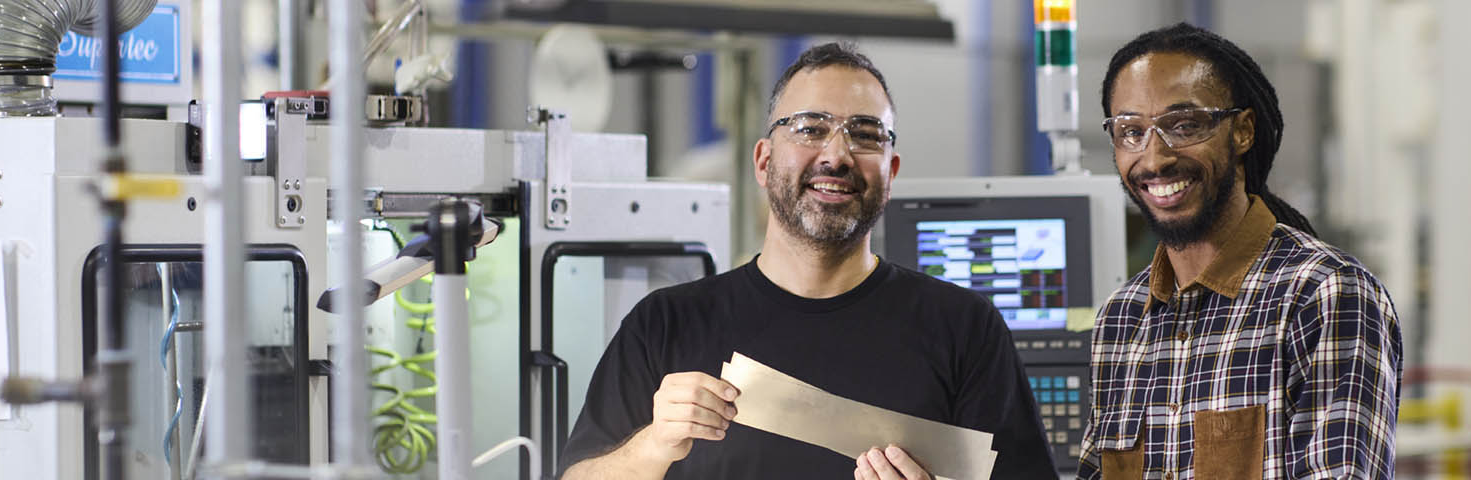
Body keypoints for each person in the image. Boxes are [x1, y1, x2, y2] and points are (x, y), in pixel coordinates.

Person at [559, 42, 1058, 480]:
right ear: (763, 161)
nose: (837, 155)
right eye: (810, 128)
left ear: (892, 170)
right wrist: (652, 446)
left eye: (865, 134)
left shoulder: (964, 330)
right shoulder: (664, 324)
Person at [1075, 23, 1403, 480]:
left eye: (1183, 125)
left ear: (1243, 130)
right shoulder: (1121, 319)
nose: (1152, 159)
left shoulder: (1324, 295)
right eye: (1131, 131)